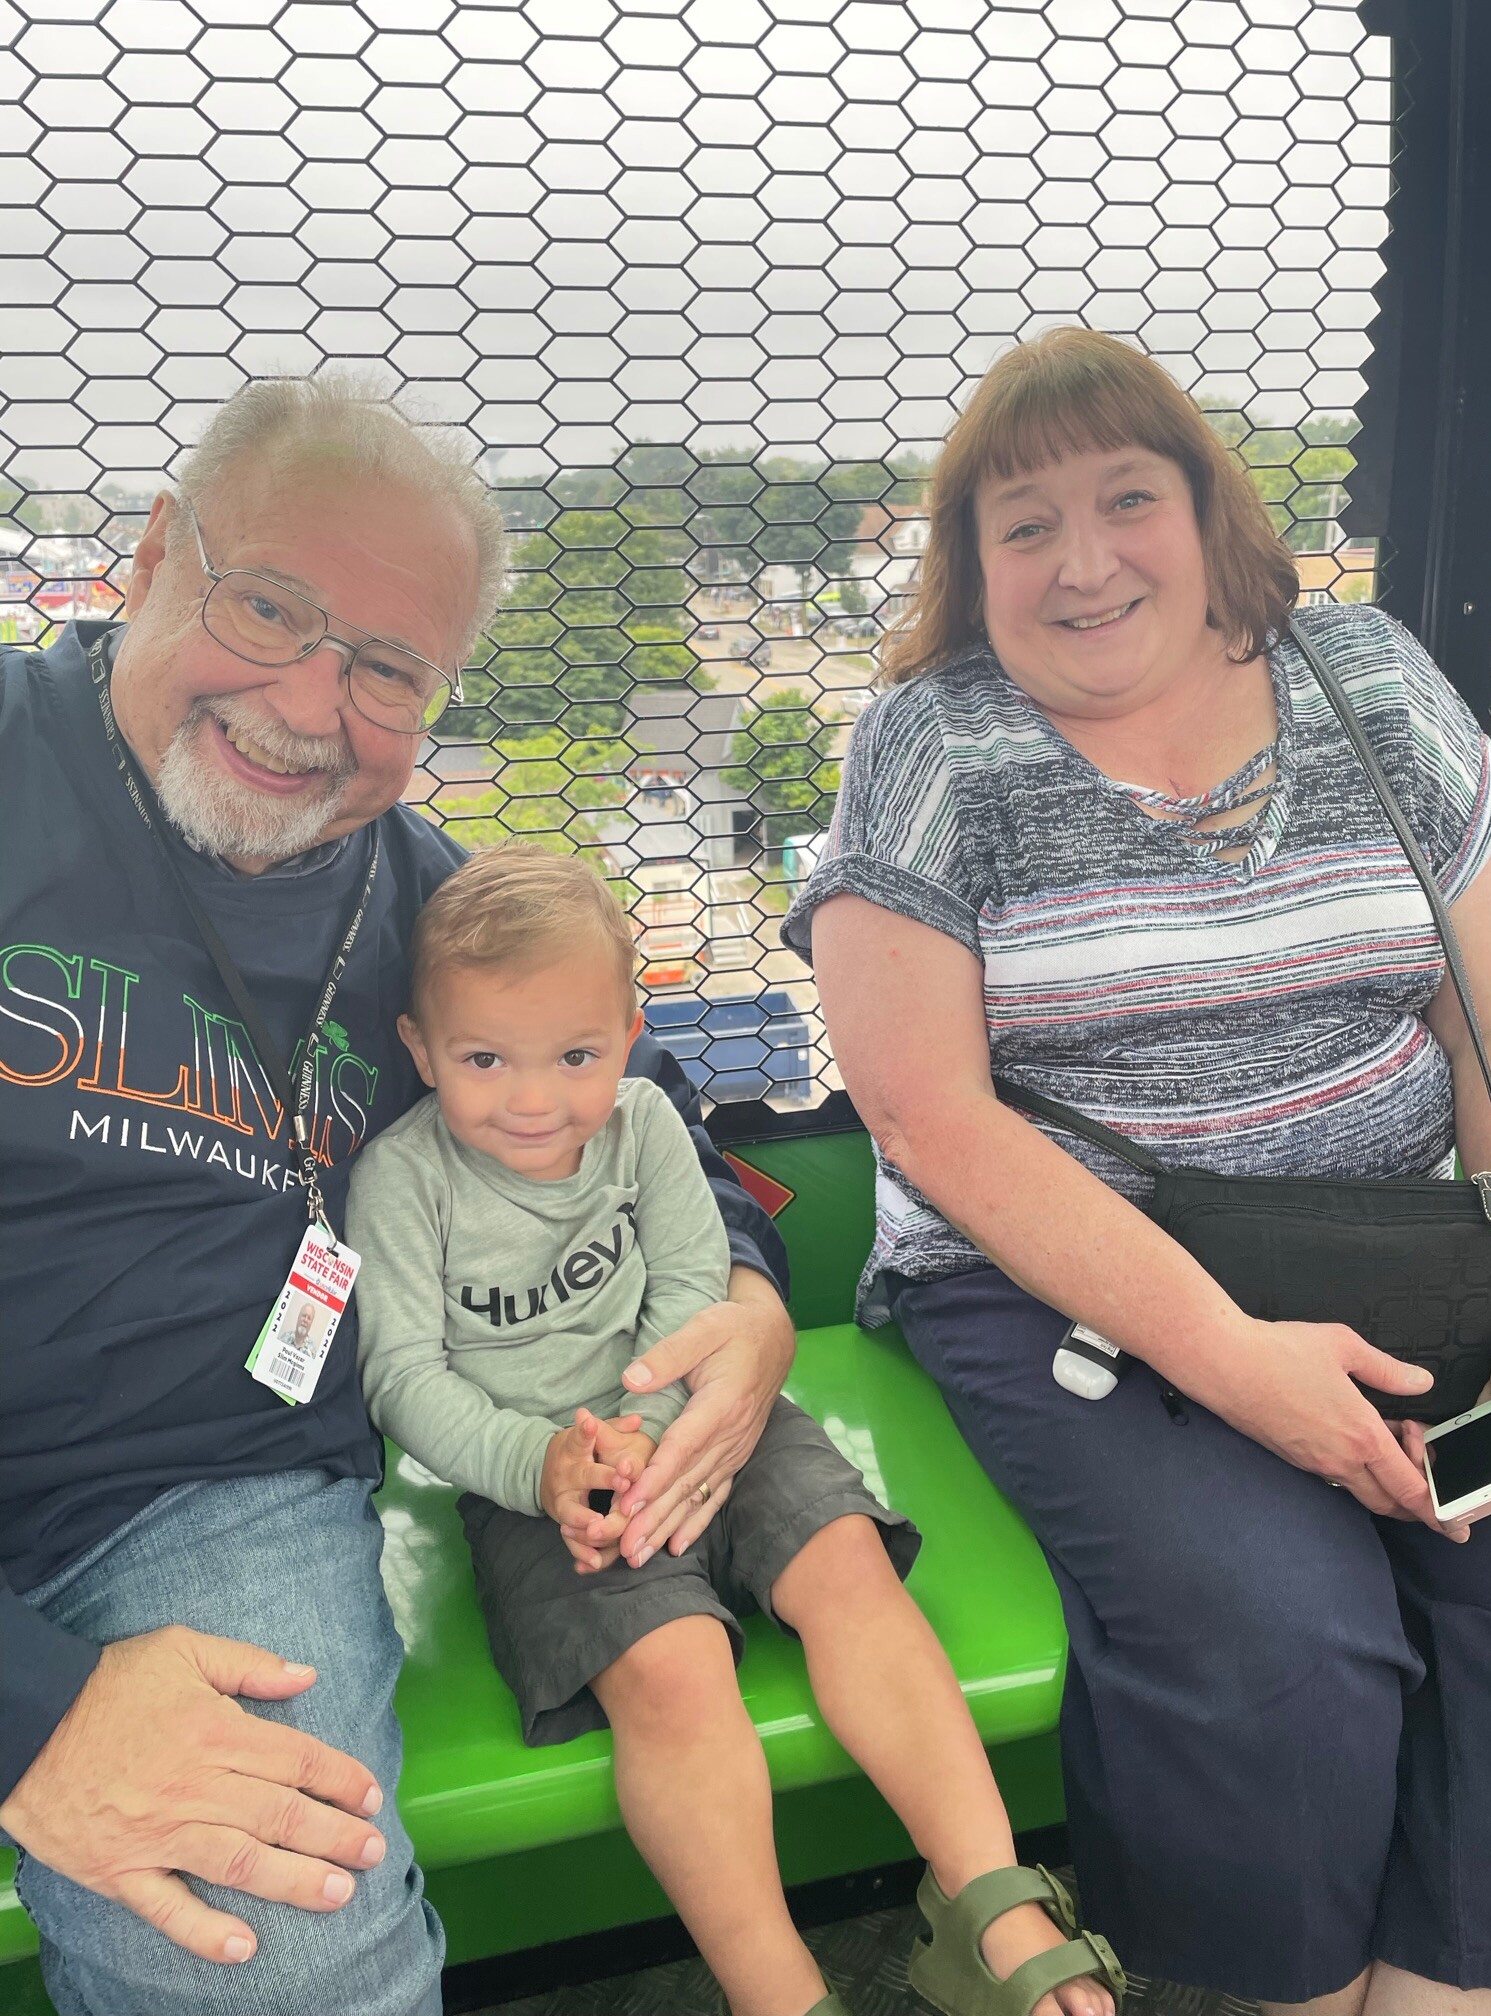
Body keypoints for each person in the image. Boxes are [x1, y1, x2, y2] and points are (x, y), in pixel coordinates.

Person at [0, 374, 797, 2016]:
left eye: (387, 668)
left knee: (280, 1955)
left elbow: (636, 1105)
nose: (310, 701)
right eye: (268, 604)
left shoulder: (418, 899)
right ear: (151, 555)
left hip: (199, 1489)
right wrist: (33, 1713)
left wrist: (746, 1291)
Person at [784, 328, 1491, 2016]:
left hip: (1383, 1253)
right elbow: (928, 1118)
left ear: (1207, 511)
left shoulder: (1371, 682)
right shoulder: (931, 745)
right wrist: (1238, 1367)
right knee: (1283, 1631)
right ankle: (1290, 1982)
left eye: (1127, 499)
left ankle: (1463, 1979)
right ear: (971, 565)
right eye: (1025, 524)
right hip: (1063, 1284)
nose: (1084, 561)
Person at [347, 841, 1126, 2016]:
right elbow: (403, 1374)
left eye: (576, 1055)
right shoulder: (406, 1182)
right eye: (483, 1058)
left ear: (628, 1034)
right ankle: (781, 1989)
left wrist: (661, 1419)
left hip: (713, 1418)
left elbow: (689, 1277)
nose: (534, 1098)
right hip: (543, 1484)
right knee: (671, 1667)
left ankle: (990, 1895)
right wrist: (542, 1461)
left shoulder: (645, 1125)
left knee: (850, 1565)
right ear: (420, 1048)